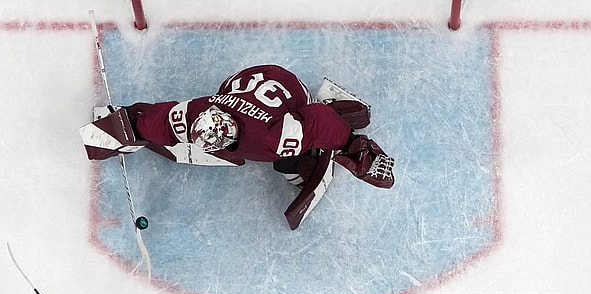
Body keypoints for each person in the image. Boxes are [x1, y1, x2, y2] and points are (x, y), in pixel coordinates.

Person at [80, 64, 395, 192]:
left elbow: (319, 123)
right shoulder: (197, 113)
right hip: (248, 80)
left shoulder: (271, 139)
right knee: (295, 135)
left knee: (288, 160)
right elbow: (159, 120)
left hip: (289, 88)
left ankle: (329, 105)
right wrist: (128, 126)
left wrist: (353, 146)